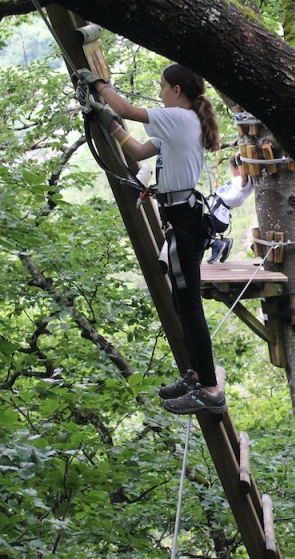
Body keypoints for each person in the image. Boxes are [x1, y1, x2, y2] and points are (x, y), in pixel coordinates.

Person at [81, 63, 227, 415]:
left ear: (177, 90)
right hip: (183, 215)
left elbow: (129, 109)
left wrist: (98, 84)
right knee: (183, 300)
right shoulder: (182, 122)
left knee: (188, 303)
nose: (160, 91)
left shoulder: (180, 117)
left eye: (162, 86)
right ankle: (196, 374)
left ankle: (208, 387)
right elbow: (138, 151)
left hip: (183, 218)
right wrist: (107, 121)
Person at [207, 153, 253, 264]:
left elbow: (244, 180)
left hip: (217, 211)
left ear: (238, 169)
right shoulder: (244, 182)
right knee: (208, 230)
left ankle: (217, 244)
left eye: (232, 168)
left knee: (201, 231)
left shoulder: (242, 180)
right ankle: (225, 242)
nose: (232, 172)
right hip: (221, 211)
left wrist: (239, 161)